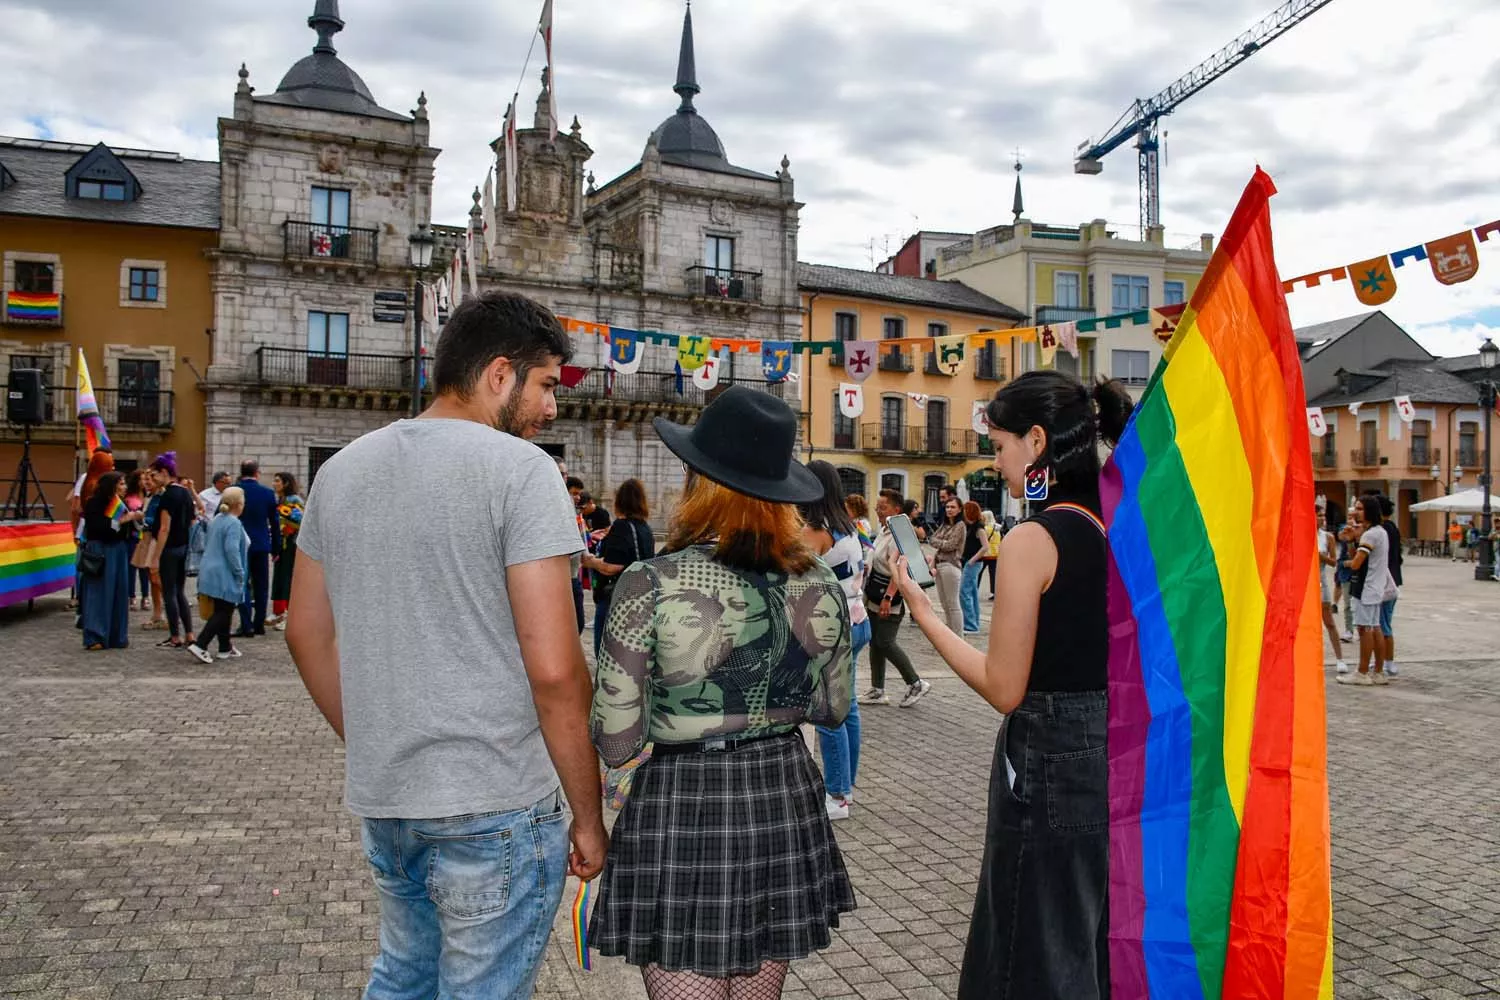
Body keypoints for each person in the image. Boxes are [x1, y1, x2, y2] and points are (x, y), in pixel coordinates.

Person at [287, 290, 606, 999]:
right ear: (500, 374)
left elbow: (304, 632)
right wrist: (589, 815)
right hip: (495, 800)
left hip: (389, 799)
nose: (554, 408)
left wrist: (376, 736)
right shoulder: (523, 472)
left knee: (403, 977)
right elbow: (555, 670)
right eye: (548, 385)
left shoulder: (339, 471)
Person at [588, 385, 855, 999]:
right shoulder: (818, 581)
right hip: (782, 796)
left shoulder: (650, 582)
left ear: (696, 479)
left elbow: (615, 740)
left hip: (683, 802)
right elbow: (834, 708)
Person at [892, 370, 1132, 999]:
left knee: (1030, 943)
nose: (994, 463)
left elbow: (1004, 686)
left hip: (1050, 754)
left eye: (998, 446)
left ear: (1035, 440)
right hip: (1114, 749)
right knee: (1087, 933)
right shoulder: (1116, 527)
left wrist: (923, 613)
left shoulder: (1033, 538)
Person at [800, 460, 867, 822]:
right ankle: (847, 786)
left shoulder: (818, 530)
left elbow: (791, 565)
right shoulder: (848, 526)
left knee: (829, 714)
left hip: (834, 628)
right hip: (859, 621)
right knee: (848, 707)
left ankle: (838, 794)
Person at [859, 489, 931, 708]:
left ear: (896, 510)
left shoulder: (901, 531)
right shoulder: (884, 530)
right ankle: (877, 689)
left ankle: (916, 682)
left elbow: (901, 568)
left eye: (883, 507)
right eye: (877, 507)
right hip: (874, 591)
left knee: (885, 641)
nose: (877, 511)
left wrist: (889, 597)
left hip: (890, 594)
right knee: (875, 642)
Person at [581, 478, 652, 660]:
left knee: (606, 655)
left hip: (615, 599)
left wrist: (590, 561)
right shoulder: (645, 528)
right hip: (640, 598)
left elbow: (612, 567)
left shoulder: (621, 527)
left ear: (619, 501)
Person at [1337, 495, 1397, 686]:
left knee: (1364, 629)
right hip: (1376, 586)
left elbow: (1356, 563)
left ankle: (1362, 671)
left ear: (1370, 510)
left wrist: (1343, 564)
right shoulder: (1380, 532)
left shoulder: (1370, 535)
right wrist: (1351, 540)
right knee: (1375, 627)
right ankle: (1378, 671)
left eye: (1360, 508)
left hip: (1365, 586)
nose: (1356, 511)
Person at [79, 472, 143, 650]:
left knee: (119, 592)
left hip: (119, 550)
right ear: (111, 485)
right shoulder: (94, 503)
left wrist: (135, 519)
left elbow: (127, 529)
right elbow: (98, 527)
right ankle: (95, 635)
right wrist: (123, 520)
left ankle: (117, 635)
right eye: (121, 484)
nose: (124, 487)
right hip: (100, 551)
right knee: (99, 592)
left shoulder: (120, 504)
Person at [188, 487, 250, 664]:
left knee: (224, 609)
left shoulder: (217, 519)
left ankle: (224, 647)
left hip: (209, 569)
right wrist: (239, 572)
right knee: (223, 612)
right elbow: (232, 550)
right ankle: (201, 644)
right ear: (239, 504)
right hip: (224, 572)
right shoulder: (234, 523)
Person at [148, 453, 195, 648]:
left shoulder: (168, 496)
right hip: (183, 546)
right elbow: (192, 521)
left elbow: (164, 528)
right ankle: (190, 633)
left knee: (169, 593)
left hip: (169, 549)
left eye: (154, 474)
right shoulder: (184, 492)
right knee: (180, 592)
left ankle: (175, 635)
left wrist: (156, 557)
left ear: (164, 473)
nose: (152, 479)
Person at [234, 461, 282, 637]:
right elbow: (275, 523)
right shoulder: (267, 493)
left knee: (242, 583)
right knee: (261, 585)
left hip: (239, 543)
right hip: (261, 543)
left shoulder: (234, 491)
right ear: (257, 473)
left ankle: (246, 624)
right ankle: (259, 623)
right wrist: (276, 548)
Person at [267, 472, 305, 631]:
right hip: (279, 544)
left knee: (288, 578)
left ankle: (289, 614)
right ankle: (278, 611)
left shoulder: (294, 500)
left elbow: (299, 520)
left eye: (277, 481)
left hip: (290, 544)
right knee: (279, 577)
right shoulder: (278, 500)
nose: (274, 484)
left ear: (286, 484)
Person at [1372, 493, 1402, 679]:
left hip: (1384, 583)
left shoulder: (1382, 530)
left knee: (1382, 626)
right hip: (1393, 580)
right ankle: (1387, 662)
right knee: (1385, 623)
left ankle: (1385, 663)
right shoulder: (1393, 528)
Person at [1318, 501, 1349, 675]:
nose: (1322, 518)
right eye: (1319, 515)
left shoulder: (1327, 537)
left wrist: (1320, 557)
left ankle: (1340, 659)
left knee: (1329, 621)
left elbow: (1334, 561)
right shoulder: (1301, 534)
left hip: (1321, 581)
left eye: (1323, 515)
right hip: (1306, 584)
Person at [928, 496, 967, 635]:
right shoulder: (944, 525)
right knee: (945, 604)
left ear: (960, 509)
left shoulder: (960, 525)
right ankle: (951, 635)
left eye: (953, 507)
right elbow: (931, 539)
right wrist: (942, 543)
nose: (949, 510)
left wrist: (941, 543)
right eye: (947, 507)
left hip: (951, 565)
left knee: (953, 604)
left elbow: (951, 545)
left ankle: (958, 636)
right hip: (939, 565)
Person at [564, 473, 589, 634]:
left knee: (578, 624)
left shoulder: (576, 514)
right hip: (565, 578)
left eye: (579, 493)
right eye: (574, 493)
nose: (578, 497)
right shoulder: (563, 515)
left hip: (574, 575)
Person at [123, 469, 151, 611]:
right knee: (131, 567)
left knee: (145, 568)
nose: (145, 482)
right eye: (142, 479)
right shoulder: (129, 498)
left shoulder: (149, 497)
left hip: (146, 536)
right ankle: (131, 596)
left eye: (146, 479)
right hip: (132, 536)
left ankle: (146, 597)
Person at [959, 500, 985, 632]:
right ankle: (974, 623)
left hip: (973, 563)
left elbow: (985, 547)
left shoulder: (979, 527)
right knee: (972, 592)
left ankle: (970, 625)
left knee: (964, 592)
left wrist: (972, 560)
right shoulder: (970, 526)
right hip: (969, 562)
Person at [979, 509, 1001, 599]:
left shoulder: (986, 528)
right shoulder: (997, 527)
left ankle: (975, 589)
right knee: (993, 574)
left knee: (978, 573)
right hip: (995, 553)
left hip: (986, 554)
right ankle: (994, 592)